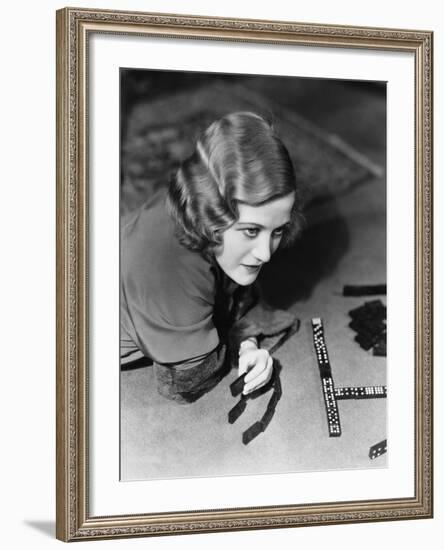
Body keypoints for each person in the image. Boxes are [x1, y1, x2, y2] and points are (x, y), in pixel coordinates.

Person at [120, 111, 304, 403]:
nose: (266, 254)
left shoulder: (205, 222)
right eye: (251, 230)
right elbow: (186, 381)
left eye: (277, 230)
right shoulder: (167, 267)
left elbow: (232, 291)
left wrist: (247, 345)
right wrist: (239, 340)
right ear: (211, 215)